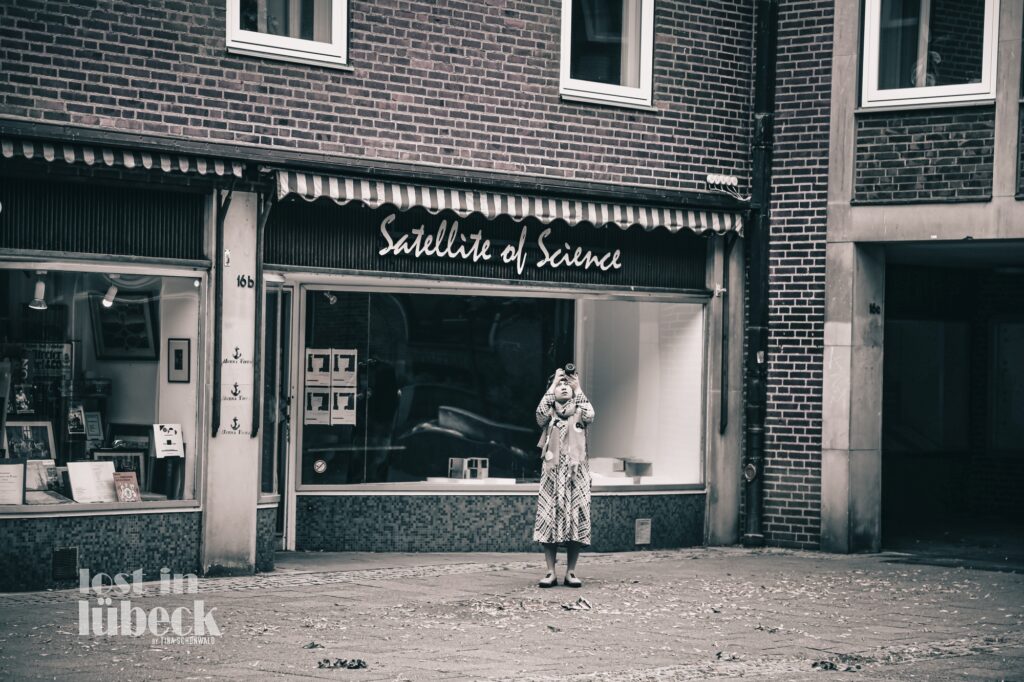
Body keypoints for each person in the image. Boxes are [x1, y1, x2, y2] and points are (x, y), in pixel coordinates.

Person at [533, 366, 595, 588]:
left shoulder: (580, 410)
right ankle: (550, 571)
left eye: (566, 385)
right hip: (552, 474)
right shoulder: (549, 412)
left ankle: (571, 571)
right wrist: (553, 384)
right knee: (549, 519)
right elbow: (539, 415)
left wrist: (577, 387)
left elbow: (591, 414)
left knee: (575, 520)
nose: (564, 388)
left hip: (576, 474)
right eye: (560, 385)